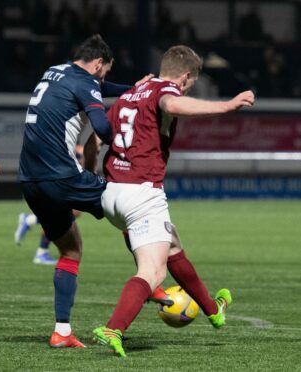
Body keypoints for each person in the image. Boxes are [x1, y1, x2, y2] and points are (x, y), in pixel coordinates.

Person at [91, 45, 255, 357]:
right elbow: (173, 104)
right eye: (191, 83)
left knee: (173, 246)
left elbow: (95, 139)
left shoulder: (130, 94)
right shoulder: (166, 88)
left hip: (112, 193)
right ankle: (114, 328)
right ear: (186, 76)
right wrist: (228, 106)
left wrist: (89, 173)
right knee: (153, 272)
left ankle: (213, 310)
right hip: (142, 193)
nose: (188, 87)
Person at [18, 34, 143, 348]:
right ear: (98, 63)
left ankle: (62, 331)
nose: (104, 79)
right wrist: (125, 144)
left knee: (71, 250)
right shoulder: (85, 82)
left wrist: (135, 89)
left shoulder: (54, 71)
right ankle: (150, 281)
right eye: (105, 72)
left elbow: (99, 89)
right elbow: (101, 126)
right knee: (134, 209)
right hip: (61, 176)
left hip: (30, 181)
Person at [15, 145, 84, 265]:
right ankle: (41, 251)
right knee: (59, 214)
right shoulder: (65, 143)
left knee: (64, 214)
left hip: (54, 177)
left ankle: (31, 223)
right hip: (55, 178)